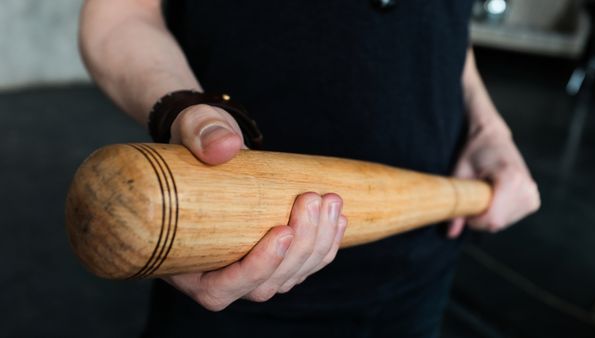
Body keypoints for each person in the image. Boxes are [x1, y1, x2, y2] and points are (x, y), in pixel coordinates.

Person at [79, 0, 540, 336]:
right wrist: (185, 106)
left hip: (423, 261)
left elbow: (445, 24)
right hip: (235, 253)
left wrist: (488, 126)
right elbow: (118, 15)